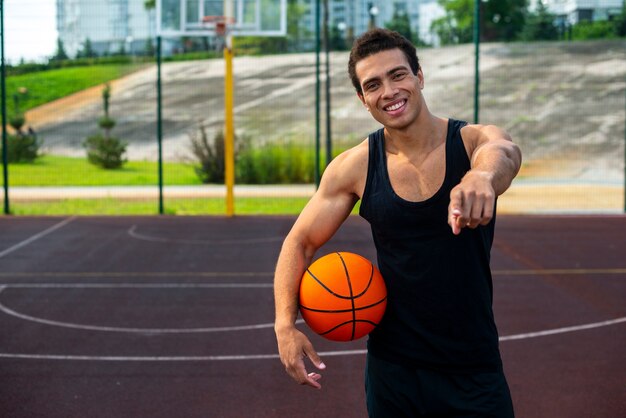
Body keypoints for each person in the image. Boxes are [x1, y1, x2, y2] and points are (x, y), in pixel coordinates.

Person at [274, 28, 521, 417]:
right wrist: (284, 325)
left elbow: (503, 151)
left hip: (472, 368)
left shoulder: (472, 142)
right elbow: (300, 241)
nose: (388, 91)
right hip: (394, 373)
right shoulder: (356, 165)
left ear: (419, 76)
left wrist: (481, 178)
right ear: (362, 99)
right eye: (373, 84)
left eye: (398, 75)